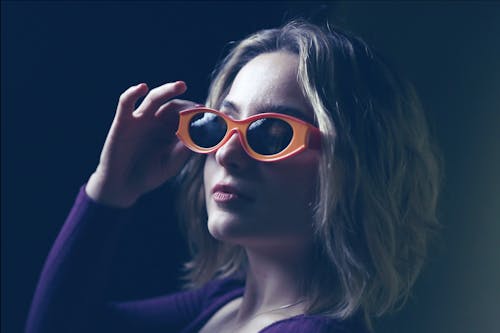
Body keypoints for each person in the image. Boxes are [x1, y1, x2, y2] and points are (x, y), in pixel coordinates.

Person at [26, 19, 442, 333]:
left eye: (272, 132)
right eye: (218, 125)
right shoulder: (224, 302)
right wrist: (109, 187)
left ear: (355, 165)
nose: (226, 152)